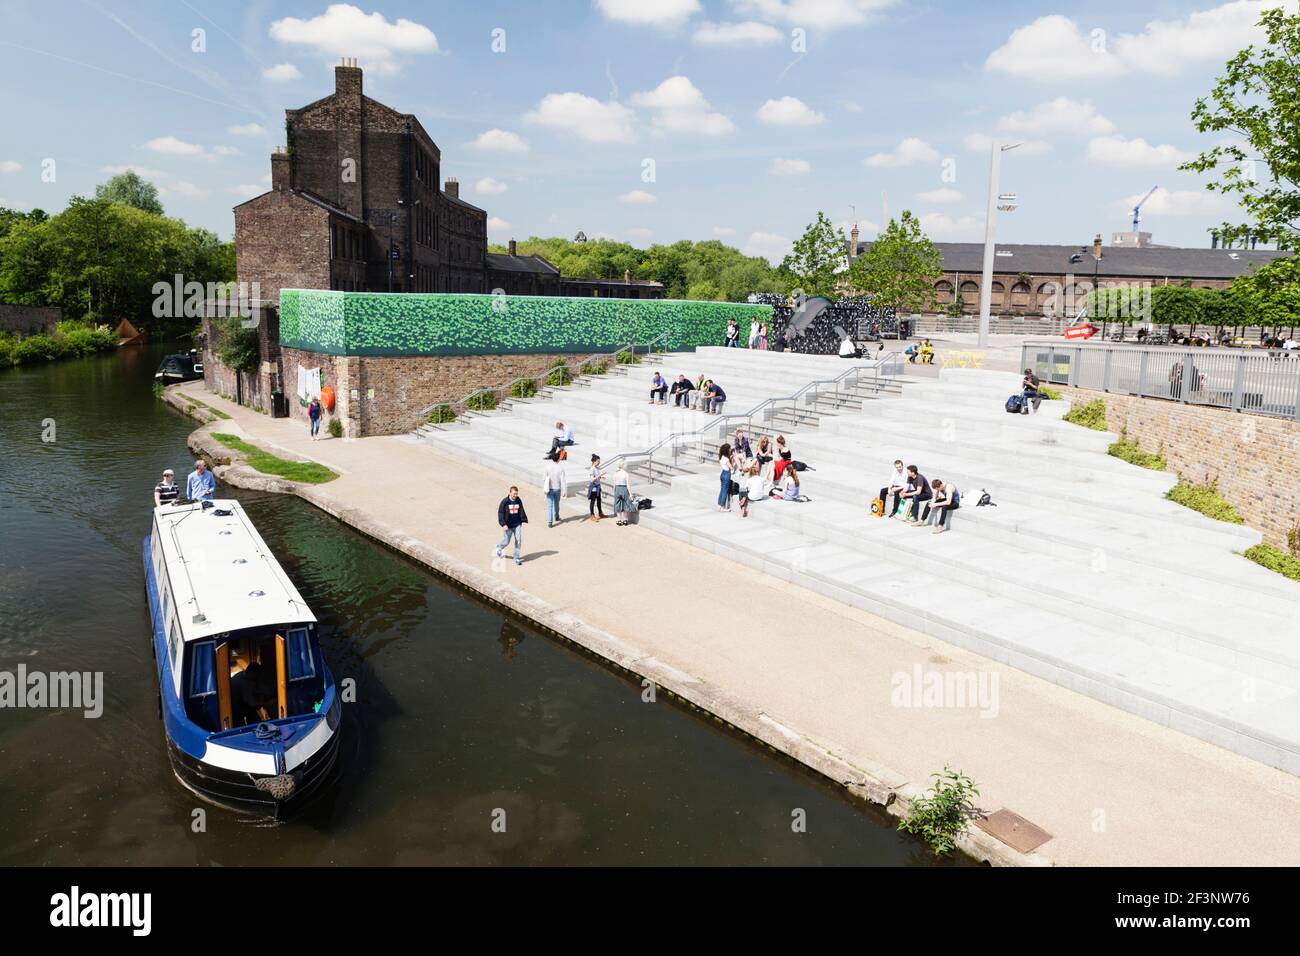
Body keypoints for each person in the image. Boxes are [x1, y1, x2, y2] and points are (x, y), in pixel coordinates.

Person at [495, 486, 528, 566]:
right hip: (508, 525)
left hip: (517, 524)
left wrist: (522, 520)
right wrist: (503, 524)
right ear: (509, 493)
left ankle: (516, 557)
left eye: (516, 494)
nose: (515, 495)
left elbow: (521, 510)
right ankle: (499, 547)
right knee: (506, 541)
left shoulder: (518, 500)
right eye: (513, 494)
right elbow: (501, 513)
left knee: (518, 540)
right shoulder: (505, 502)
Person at [542, 450, 567, 528]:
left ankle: (550, 521)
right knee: (557, 504)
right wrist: (564, 491)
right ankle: (556, 516)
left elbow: (544, 478)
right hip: (557, 489)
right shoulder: (561, 468)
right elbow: (562, 480)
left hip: (549, 488)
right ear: (559, 459)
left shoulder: (547, 467)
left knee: (549, 505)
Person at [587, 454, 606, 522]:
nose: (599, 462)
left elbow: (597, 476)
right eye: (598, 461)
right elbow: (592, 479)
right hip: (593, 488)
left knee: (599, 500)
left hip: (598, 486)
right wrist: (600, 475)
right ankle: (592, 515)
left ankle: (600, 513)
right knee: (593, 501)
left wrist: (601, 477)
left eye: (599, 461)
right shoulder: (592, 469)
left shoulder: (597, 468)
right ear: (594, 461)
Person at [612, 461, 632, 526]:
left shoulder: (615, 473)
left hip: (617, 489)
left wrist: (614, 491)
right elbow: (628, 484)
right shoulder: (626, 474)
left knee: (617, 504)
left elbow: (614, 484)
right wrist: (630, 494)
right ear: (623, 466)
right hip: (624, 489)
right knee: (625, 504)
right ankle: (625, 519)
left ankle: (619, 520)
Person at [717, 443, 734, 512]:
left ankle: (719, 505)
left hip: (722, 473)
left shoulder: (721, 457)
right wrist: (731, 460)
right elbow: (731, 468)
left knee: (722, 490)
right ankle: (722, 507)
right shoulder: (727, 459)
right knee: (725, 491)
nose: (730, 450)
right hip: (727, 474)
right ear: (727, 450)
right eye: (729, 449)